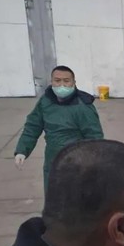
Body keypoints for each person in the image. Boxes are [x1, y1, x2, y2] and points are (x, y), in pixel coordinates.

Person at [14, 65, 104, 193]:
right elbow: (32, 127)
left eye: (66, 81)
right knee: (53, 196)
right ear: (51, 82)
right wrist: (22, 150)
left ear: (74, 82)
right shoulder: (45, 102)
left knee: (75, 198)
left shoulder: (83, 106)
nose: (62, 85)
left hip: (76, 163)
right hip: (52, 160)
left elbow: (95, 138)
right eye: (57, 80)